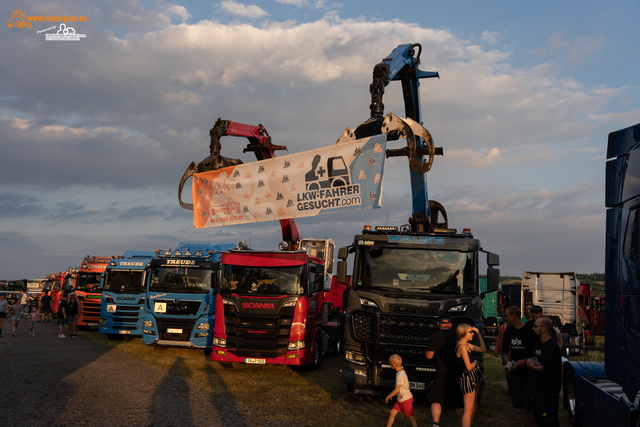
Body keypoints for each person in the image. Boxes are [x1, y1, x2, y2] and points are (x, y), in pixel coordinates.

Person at [426, 318, 464, 427]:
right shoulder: (457, 335)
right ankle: (462, 423)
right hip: (457, 372)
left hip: (441, 372)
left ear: (438, 324)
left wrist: (426, 352)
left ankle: (435, 423)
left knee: (436, 398)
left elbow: (429, 356)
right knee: (458, 400)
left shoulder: (435, 336)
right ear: (451, 324)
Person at [504, 305, 536, 427]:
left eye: (507, 316)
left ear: (514, 316)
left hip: (528, 375)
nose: (505, 318)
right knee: (521, 406)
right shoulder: (509, 330)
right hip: (515, 375)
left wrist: (526, 361)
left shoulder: (529, 331)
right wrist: (508, 368)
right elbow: (510, 350)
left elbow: (535, 353)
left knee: (530, 407)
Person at [527, 316, 562, 426]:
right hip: (537, 392)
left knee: (548, 421)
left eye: (536, 326)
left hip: (547, 395)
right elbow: (529, 360)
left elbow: (539, 367)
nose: (533, 328)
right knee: (539, 420)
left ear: (544, 329)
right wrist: (530, 364)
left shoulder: (552, 347)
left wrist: (532, 365)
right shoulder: (539, 345)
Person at [455, 324, 486, 427]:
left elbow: (483, 349)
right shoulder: (462, 346)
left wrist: (478, 333)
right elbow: (468, 366)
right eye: (470, 332)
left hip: (471, 378)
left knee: (472, 409)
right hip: (467, 379)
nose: (472, 333)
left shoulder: (467, 345)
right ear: (463, 333)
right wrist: (475, 362)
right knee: (468, 410)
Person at [385, 354, 418, 427]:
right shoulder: (401, 372)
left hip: (405, 400)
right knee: (392, 412)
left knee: (410, 417)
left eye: (390, 364)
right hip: (400, 399)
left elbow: (396, 390)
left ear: (393, 365)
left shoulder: (400, 375)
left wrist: (389, 395)